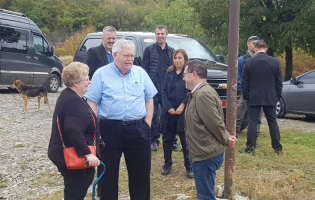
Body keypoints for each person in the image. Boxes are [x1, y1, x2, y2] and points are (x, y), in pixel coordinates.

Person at [85, 39, 157, 200]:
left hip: (138, 129)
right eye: (126, 55)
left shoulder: (140, 72)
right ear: (115, 55)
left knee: (141, 174)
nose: (130, 59)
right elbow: (91, 101)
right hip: (109, 130)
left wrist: (147, 124)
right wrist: (97, 128)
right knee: (107, 174)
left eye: (132, 55)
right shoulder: (101, 74)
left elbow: (149, 99)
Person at [183, 60, 237, 200]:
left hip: (205, 155)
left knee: (205, 196)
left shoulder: (203, 95)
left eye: (185, 73)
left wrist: (226, 139)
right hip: (203, 152)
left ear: (194, 74)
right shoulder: (199, 93)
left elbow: (215, 123)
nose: (183, 77)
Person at [48, 62, 100, 200]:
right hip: (76, 158)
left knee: (75, 192)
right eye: (86, 79)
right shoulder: (73, 101)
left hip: (67, 154)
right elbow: (73, 129)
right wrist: (88, 154)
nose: (89, 82)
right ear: (76, 83)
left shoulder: (69, 96)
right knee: (75, 194)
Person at [239, 40, 283, 155]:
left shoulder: (249, 62)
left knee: (253, 121)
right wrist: (277, 96)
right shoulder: (275, 62)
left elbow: (245, 82)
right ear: (266, 49)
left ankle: (250, 148)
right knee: (272, 121)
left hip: (254, 96)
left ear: (256, 49)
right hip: (270, 96)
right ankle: (277, 148)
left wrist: (247, 96)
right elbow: (279, 82)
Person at [142, 25, 181, 152]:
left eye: (162, 34)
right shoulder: (149, 50)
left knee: (169, 115)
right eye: (158, 34)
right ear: (155, 35)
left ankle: (173, 141)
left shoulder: (172, 51)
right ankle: (154, 140)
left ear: (166, 35)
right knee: (152, 115)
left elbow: (175, 70)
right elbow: (144, 69)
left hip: (167, 89)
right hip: (152, 88)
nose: (160, 36)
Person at [160, 49, 193, 178]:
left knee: (185, 140)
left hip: (183, 112)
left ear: (185, 59)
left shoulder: (188, 74)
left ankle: (188, 166)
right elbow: (163, 91)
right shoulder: (169, 73)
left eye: (180, 58)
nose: (177, 61)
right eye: (175, 58)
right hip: (169, 112)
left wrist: (182, 105)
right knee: (167, 139)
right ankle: (167, 163)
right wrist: (168, 107)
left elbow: (191, 91)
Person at [236, 36, 263, 139]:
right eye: (253, 43)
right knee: (239, 113)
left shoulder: (261, 59)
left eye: (257, 43)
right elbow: (238, 75)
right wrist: (241, 89)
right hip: (246, 91)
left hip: (258, 92)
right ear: (248, 44)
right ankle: (235, 133)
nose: (255, 45)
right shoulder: (242, 59)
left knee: (258, 115)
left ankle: (255, 136)